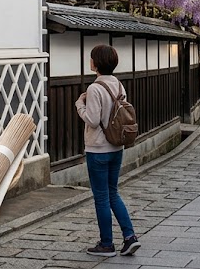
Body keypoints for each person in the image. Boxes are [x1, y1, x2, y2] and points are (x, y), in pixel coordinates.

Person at [75, 45, 141, 257]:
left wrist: (79, 105)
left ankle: (106, 244)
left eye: (92, 58)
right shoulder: (119, 85)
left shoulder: (95, 88)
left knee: (101, 197)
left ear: (96, 63)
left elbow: (93, 120)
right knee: (113, 193)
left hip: (98, 149)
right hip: (117, 147)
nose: (90, 61)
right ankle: (129, 236)